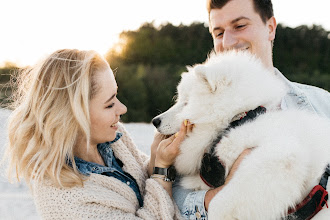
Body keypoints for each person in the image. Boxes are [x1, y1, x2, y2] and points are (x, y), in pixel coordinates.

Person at [172, 0, 330, 219]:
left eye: (239, 26)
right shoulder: (194, 111)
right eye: (218, 33)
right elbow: (172, 195)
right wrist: (222, 196)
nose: (227, 42)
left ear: (270, 28)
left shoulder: (324, 104)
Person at [4, 49, 193, 219]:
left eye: (116, 96)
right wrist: (162, 168)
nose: (122, 108)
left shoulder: (112, 137)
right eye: (109, 104)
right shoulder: (66, 200)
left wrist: (155, 155)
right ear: (73, 117)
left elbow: (143, 185)